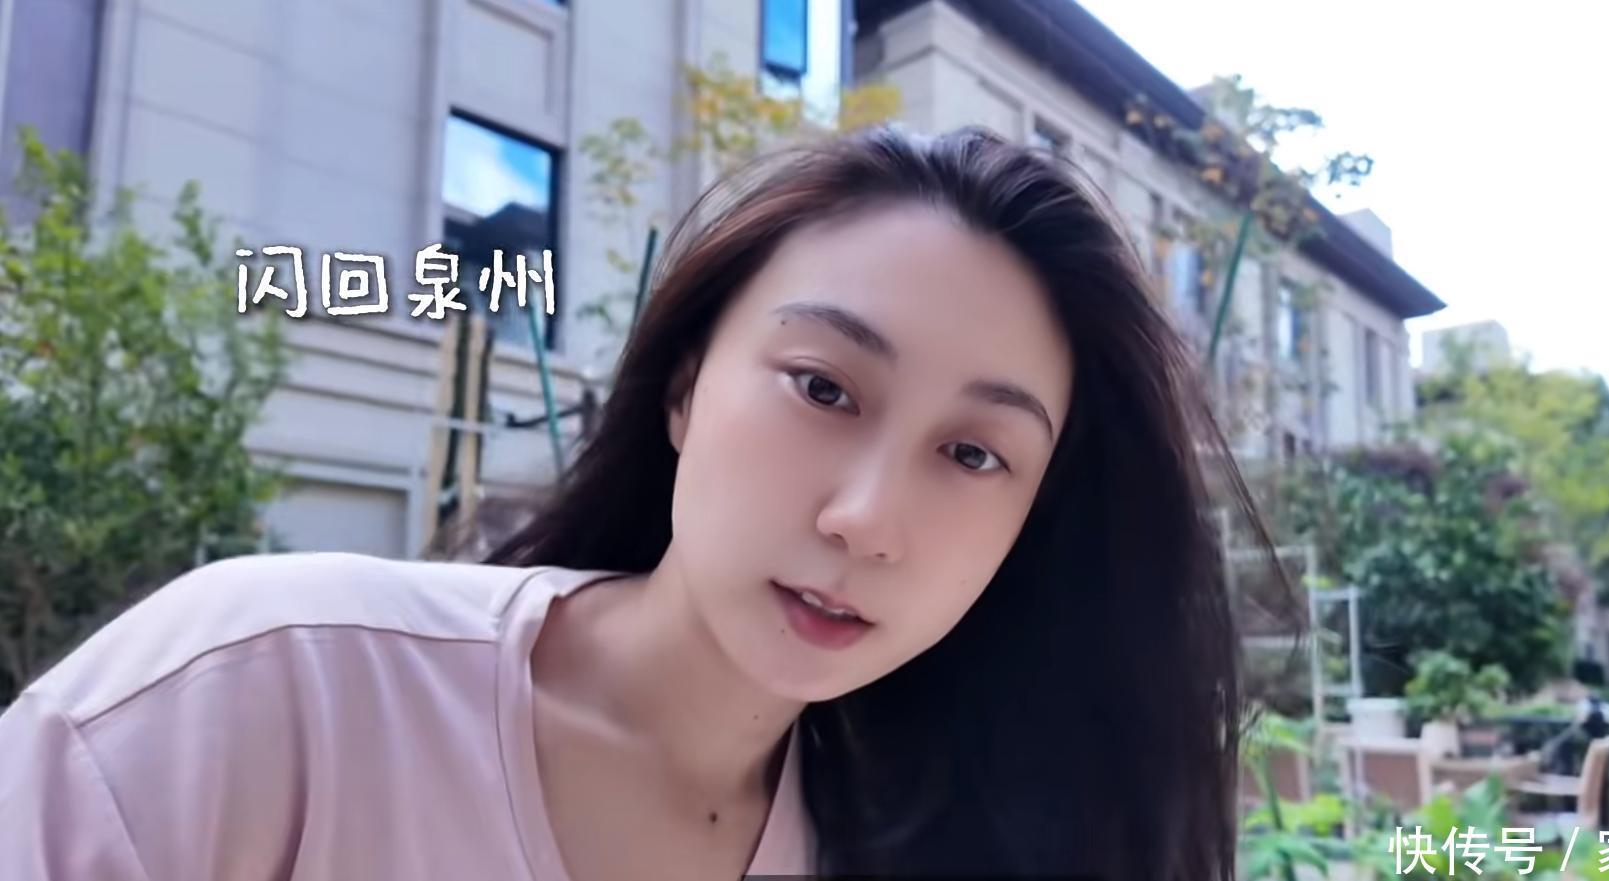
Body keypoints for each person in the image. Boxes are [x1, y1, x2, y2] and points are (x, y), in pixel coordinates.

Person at [0, 126, 1270, 880]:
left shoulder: (929, 835)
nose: (865, 518)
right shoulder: (273, 688)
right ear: (683, 387)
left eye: (975, 455)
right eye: (823, 386)